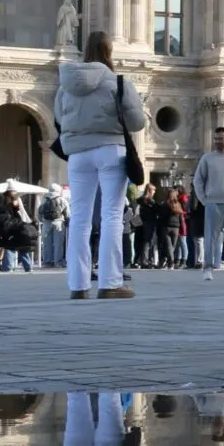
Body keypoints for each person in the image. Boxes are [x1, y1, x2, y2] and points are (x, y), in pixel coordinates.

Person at [56, 32, 146, 299]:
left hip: (78, 154)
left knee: (80, 219)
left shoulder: (66, 84)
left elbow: (59, 118)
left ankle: (77, 286)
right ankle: (109, 283)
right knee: (111, 216)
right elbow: (136, 122)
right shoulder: (117, 82)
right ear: (109, 51)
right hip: (110, 150)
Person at [188, 127, 224, 280]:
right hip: (213, 203)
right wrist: (204, 199)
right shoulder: (207, 159)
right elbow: (198, 180)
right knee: (210, 238)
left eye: (220, 138)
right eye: (215, 139)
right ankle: (207, 268)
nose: (217, 142)